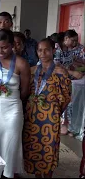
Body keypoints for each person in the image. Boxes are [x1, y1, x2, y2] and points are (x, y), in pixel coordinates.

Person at [0, 29, 31, 178]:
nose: (0, 51)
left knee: (10, 144)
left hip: (12, 110)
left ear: (12, 46)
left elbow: (25, 90)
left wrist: (12, 99)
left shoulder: (21, 63)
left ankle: (8, 174)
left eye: (4, 47)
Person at [23, 38, 71, 178]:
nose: (43, 53)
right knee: (34, 146)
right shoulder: (32, 70)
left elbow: (67, 96)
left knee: (48, 146)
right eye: (39, 50)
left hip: (50, 115)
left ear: (53, 51)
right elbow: (25, 92)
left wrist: (55, 110)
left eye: (46, 50)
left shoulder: (60, 72)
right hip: (32, 115)